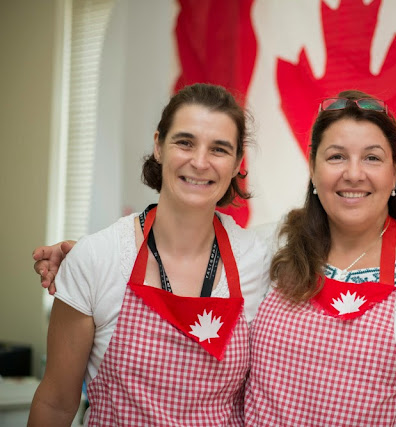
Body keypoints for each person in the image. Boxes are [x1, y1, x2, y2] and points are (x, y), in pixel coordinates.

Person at [34, 91, 396, 426]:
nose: (353, 173)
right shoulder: (274, 249)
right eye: (335, 156)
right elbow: (185, 243)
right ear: (313, 170)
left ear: (394, 169)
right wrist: (86, 255)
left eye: (372, 158)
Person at [28, 83, 270, 426]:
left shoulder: (258, 259)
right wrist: (79, 263)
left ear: (236, 164)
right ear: (158, 146)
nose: (200, 162)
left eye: (219, 149)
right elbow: (55, 404)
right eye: (185, 142)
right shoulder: (99, 258)